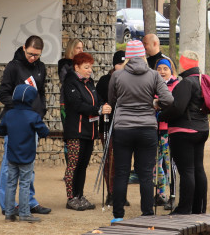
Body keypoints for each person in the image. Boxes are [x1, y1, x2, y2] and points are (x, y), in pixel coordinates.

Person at [107, 40, 173, 221]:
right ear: (143, 55)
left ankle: (118, 215)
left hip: (123, 128)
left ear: (127, 56)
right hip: (147, 129)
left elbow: (111, 100)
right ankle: (147, 214)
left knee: (121, 172)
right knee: (145, 173)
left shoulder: (117, 76)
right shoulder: (153, 75)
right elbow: (168, 99)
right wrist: (155, 104)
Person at [0, 36, 51, 215]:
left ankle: (29, 202)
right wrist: (19, 110)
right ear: (23, 48)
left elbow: (41, 93)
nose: (33, 58)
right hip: (15, 124)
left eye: (37, 55)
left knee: (29, 165)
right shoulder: (13, 66)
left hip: (32, 123)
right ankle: (8, 205)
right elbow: (3, 93)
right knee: (8, 166)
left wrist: (39, 112)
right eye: (30, 54)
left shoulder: (41, 67)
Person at [160, 51, 210, 215]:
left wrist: (161, 115)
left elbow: (178, 108)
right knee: (198, 169)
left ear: (185, 63)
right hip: (202, 129)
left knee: (187, 170)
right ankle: (199, 208)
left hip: (184, 132)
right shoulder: (203, 80)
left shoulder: (186, 83)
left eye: (181, 61)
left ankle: (184, 209)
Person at [62, 52, 108, 211]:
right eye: (86, 67)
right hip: (75, 131)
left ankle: (79, 195)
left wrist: (103, 106)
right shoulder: (70, 83)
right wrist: (99, 110)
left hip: (89, 131)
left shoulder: (89, 83)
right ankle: (71, 197)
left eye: (91, 67)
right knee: (73, 166)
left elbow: (98, 99)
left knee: (83, 166)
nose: (90, 70)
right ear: (77, 67)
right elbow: (78, 105)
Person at [0, 84, 50, 222]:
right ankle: (24, 213)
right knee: (25, 184)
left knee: (10, 183)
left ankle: (9, 213)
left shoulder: (9, 114)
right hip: (27, 155)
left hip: (12, 154)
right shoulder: (33, 116)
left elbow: (1, 130)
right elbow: (44, 131)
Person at [96, 50, 127, 207]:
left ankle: (122, 193)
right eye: (120, 64)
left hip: (126, 125)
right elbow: (99, 100)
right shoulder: (105, 80)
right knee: (111, 160)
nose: (122, 66)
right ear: (114, 65)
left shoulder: (131, 79)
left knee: (124, 161)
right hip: (109, 125)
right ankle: (111, 193)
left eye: (125, 63)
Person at [154, 57, 178, 209]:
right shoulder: (152, 84)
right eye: (159, 69)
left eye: (165, 69)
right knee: (156, 164)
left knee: (170, 164)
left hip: (169, 131)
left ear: (171, 70)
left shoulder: (176, 85)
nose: (162, 72)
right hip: (154, 129)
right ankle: (160, 194)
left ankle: (173, 195)